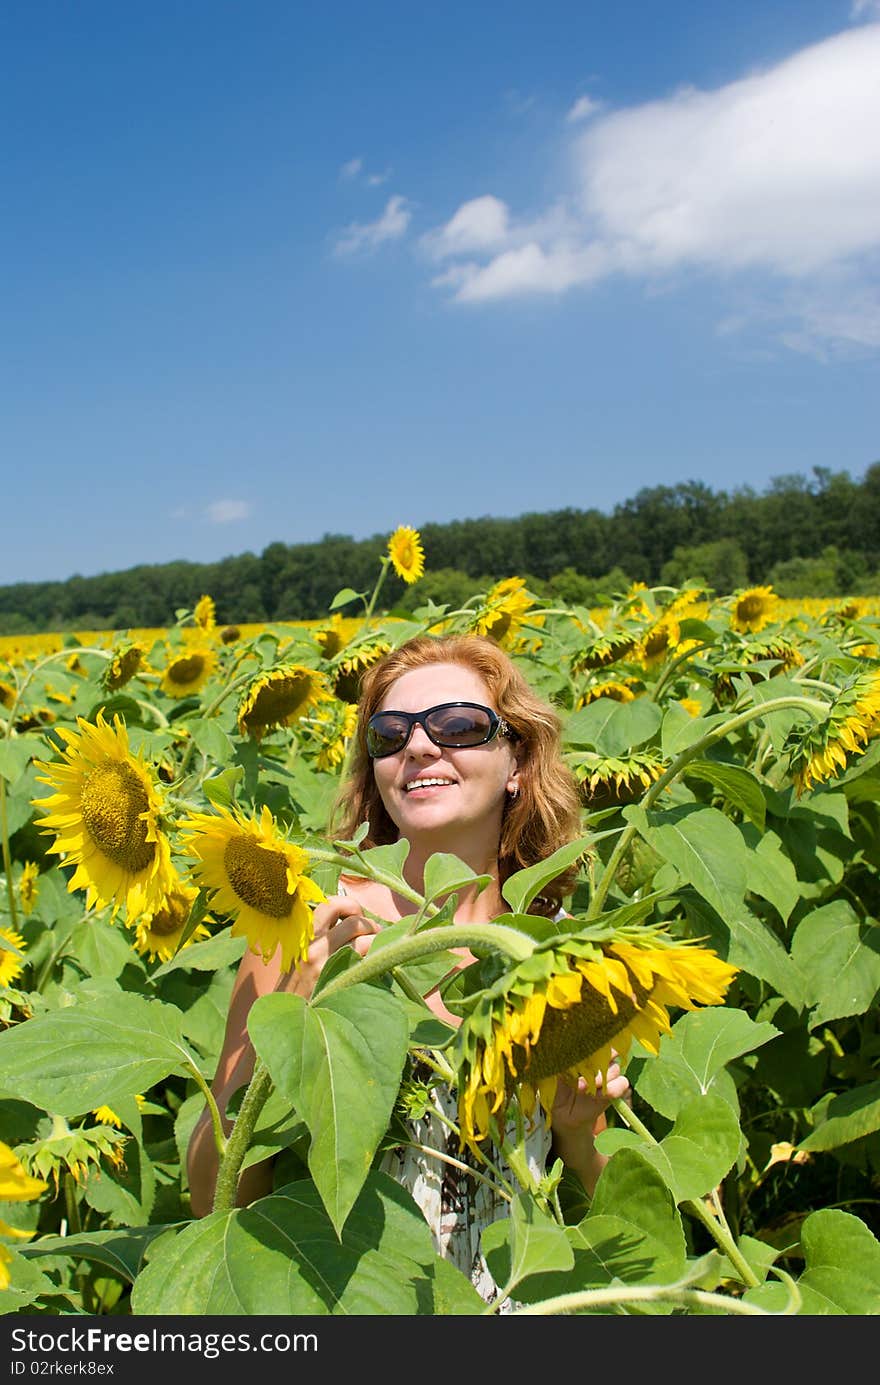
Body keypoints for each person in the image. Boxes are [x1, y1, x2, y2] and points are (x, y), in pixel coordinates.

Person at [187, 632, 631, 1303]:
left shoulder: (556, 951)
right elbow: (210, 1197)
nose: (420, 746)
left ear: (517, 760)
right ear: (377, 772)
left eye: (458, 725)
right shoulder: (304, 928)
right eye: (390, 735)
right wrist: (293, 1020)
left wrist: (574, 1129)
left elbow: (605, 1208)